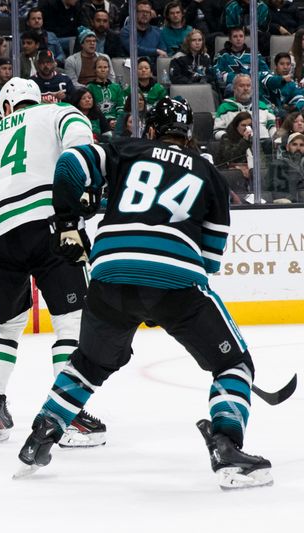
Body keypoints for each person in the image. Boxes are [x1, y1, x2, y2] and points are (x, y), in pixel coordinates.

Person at [15, 97, 273, 491]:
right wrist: (163, 296)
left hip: (109, 274)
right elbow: (209, 262)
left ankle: (42, 435)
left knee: (89, 364)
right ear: (188, 136)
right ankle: (226, 444)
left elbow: (68, 164)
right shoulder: (210, 174)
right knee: (234, 365)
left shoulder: (125, 148)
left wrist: (68, 222)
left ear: (150, 130)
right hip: (175, 283)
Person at [0, 77, 105, 446]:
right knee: (71, 320)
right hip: (46, 222)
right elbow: (82, 144)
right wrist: (87, 188)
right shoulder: (56, 111)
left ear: (5, 108)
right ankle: (66, 415)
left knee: (5, 324)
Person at [214, 74, 277, 141]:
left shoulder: (262, 106)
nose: (246, 89)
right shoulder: (224, 108)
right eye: (241, 86)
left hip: (263, 144)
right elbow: (217, 132)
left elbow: (272, 126)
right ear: (234, 88)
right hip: (237, 146)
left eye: (248, 86)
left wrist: (275, 140)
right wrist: (229, 138)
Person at [213, 26, 271, 97]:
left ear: (244, 38)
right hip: (232, 86)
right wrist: (237, 79)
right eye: (235, 36)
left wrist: (252, 78)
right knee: (231, 88)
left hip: (252, 84)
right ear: (230, 39)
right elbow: (217, 73)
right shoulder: (222, 55)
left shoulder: (254, 53)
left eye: (241, 36)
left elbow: (265, 71)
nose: (238, 39)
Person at [119, 0, 165, 65]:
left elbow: (163, 51)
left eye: (147, 12)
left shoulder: (157, 32)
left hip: (152, 69)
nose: (145, 14)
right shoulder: (126, 31)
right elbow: (133, 49)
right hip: (131, 69)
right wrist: (156, 51)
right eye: (142, 11)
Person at [87, 56, 124, 130]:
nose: (103, 70)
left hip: (116, 123)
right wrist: (106, 121)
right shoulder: (89, 88)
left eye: (105, 67)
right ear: (95, 70)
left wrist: (117, 121)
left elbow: (121, 107)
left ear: (109, 69)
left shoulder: (116, 87)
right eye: (100, 67)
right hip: (97, 124)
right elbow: (91, 110)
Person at [215, 111, 252, 181]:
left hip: (249, 169)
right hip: (230, 171)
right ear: (236, 126)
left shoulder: (253, 138)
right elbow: (229, 157)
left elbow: (261, 159)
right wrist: (244, 140)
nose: (247, 128)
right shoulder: (226, 137)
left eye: (249, 125)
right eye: (243, 125)